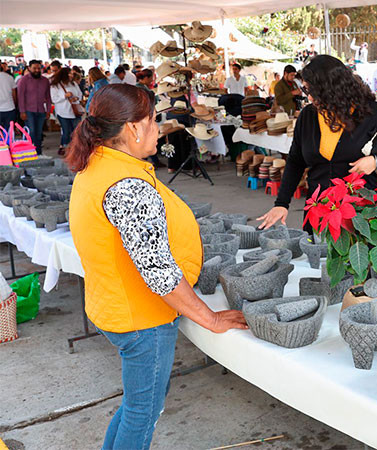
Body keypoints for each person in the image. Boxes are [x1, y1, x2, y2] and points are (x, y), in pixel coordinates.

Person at [67, 84, 246, 449]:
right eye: (153, 121)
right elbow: (159, 273)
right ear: (132, 129)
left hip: (115, 308)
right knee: (143, 410)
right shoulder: (127, 186)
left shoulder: (97, 166)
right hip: (142, 320)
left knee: (138, 404)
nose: (157, 128)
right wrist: (209, 319)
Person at [257, 55, 377, 231]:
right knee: (316, 255)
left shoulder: (372, 112)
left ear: (332, 88)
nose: (309, 98)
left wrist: (376, 161)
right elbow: (295, 160)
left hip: (362, 212)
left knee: (360, 257)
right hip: (318, 211)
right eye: (306, 91)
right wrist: (282, 203)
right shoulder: (308, 116)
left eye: (312, 91)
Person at [16, 60, 52, 155]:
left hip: (41, 111)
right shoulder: (23, 80)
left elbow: (48, 97)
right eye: (34, 68)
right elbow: (20, 97)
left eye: (38, 68)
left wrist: (48, 110)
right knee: (31, 133)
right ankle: (29, 153)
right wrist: (22, 111)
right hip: (28, 111)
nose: (36, 70)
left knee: (39, 133)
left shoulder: (45, 81)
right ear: (29, 68)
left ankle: (38, 153)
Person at [50, 67, 83, 155]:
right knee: (66, 131)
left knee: (76, 131)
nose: (72, 75)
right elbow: (54, 99)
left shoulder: (74, 84)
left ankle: (74, 149)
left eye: (72, 73)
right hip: (63, 112)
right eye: (70, 73)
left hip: (75, 111)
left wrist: (77, 98)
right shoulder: (56, 85)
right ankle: (65, 147)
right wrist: (64, 96)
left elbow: (80, 94)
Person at [0, 64, 15, 133]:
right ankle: (8, 143)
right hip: (10, 107)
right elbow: (14, 94)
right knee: (9, 131)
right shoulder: (10, 77)